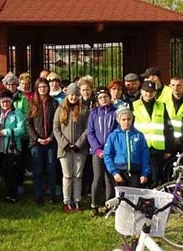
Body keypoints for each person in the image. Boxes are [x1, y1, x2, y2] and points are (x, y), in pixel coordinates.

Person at [131, 80, 174, 186]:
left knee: (156, 178)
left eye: (151, 91)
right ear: (141, 91)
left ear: (155, 92)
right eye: (146, 91)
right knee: (141, 178)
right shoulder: (133, 105)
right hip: (139, 147)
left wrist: (168, 149)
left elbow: (168, 129)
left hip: (157, 149)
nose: (148, 94)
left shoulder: (162, 106)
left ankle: (154, 202)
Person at [54, 84, 89, 212]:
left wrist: (78, 144)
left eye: (75, 95)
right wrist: (65, 144)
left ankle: (77, 200)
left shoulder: (84, 110)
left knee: (78, 175)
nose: (73, 97)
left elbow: (87, 129)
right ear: (67, 95)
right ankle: (67, 201)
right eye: (71, 95)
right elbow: (56, 129)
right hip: (65, 149)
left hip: (80, 149)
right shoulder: (60, 109)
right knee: (67, 175)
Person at [25, 78, 59, 205]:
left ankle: (52, 194)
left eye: (45, 86)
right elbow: (28, 123)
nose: (43, 89)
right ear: (37, 88)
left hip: (51, 141)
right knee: (38, 169)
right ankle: (38, 195)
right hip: (36, 143)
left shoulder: (54, 103)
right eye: (40, 87)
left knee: (51, 168)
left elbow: (57, 122)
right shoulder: (32, 103)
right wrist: (36, 138)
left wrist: (51, 137)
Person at [87, 87, 117, 214]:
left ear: (110, 98)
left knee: (110, 179)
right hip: (97, 152)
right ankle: (94, 204)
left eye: (105, 97)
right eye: (100, 98)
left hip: (111, 152)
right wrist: (97, 149)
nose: (103, 99)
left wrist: (110, 149)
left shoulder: (115, 112)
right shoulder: (94, 113)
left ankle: (109, 204)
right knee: (98, 177)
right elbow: (90, 132)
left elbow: (117, 131)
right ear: (97, 100)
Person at [104, 107, 150, 188]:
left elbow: (144, 155)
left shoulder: (139, 135)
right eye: (123, 119)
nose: (126, 122)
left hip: (135, 171)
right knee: (121, 197)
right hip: (119, 171)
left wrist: (144, 173)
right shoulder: (113, 136)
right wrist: (114, 172)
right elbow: (107, 155)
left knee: (134, 196)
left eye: (129, 119)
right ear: (119, 121)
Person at [0, 91, 26, 203]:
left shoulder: (17, 113)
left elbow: (21, 129)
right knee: (4, 172)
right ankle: (7, 192)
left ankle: (13, 195)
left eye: (8, 101)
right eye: (3, 101)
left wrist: (6, 132)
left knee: (12, 172)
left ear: (11, 101)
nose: (5, 103)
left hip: (12, 147)